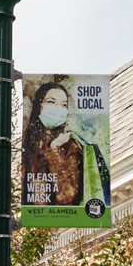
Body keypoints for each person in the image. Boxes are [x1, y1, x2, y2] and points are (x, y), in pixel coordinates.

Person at [22, 81, 110, 209]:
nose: (58, 109)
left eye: (64, 105)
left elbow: (66, 195)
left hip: (60, 223)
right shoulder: (29, 144)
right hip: (36, 226)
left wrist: (55, 149)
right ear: (39, 105)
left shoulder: (69, 144)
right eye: (52, 102)